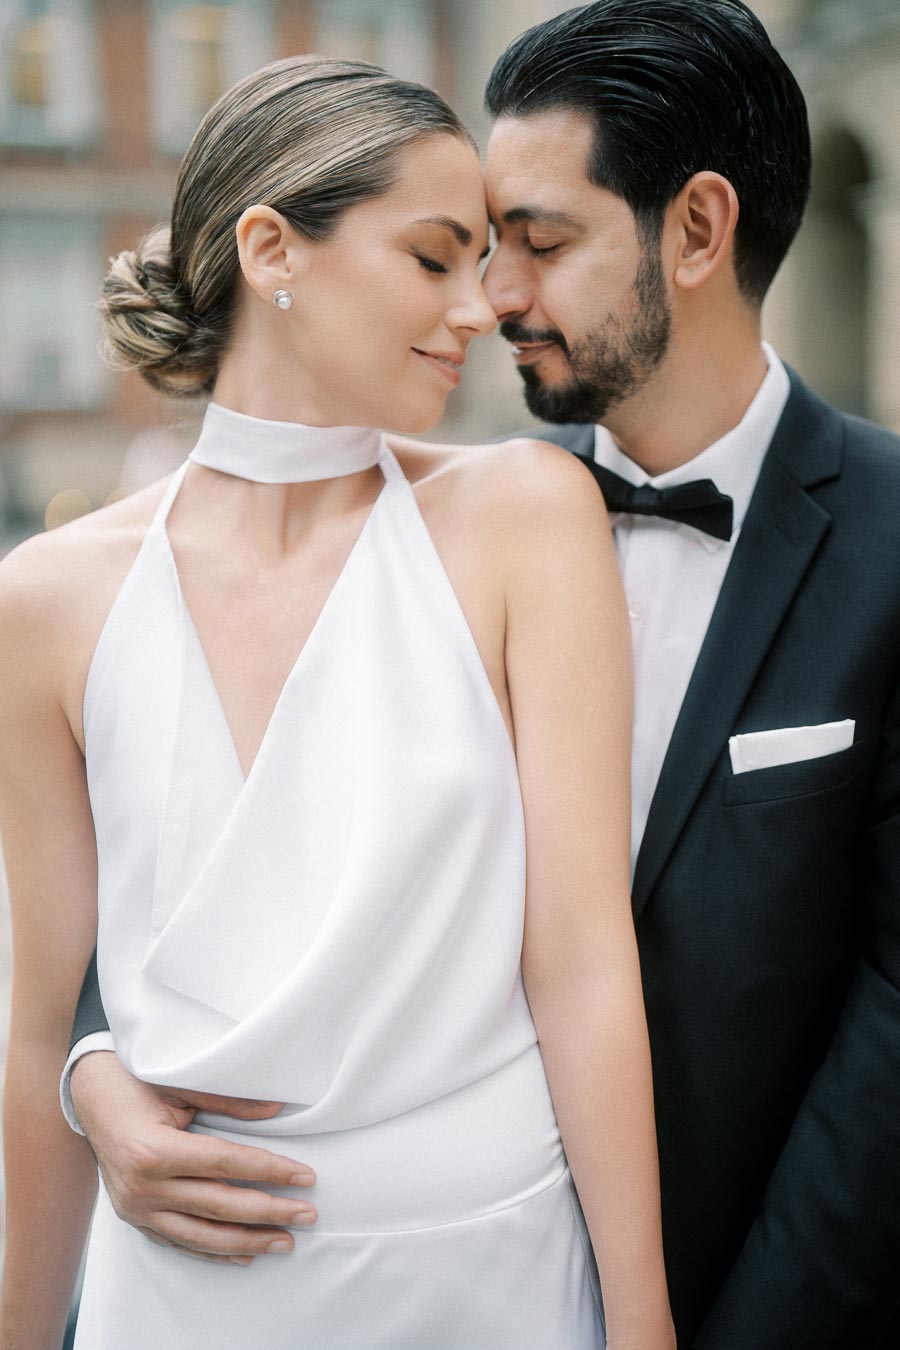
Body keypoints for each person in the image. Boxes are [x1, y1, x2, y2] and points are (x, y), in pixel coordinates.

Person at [55, 2, 900, 1347]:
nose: (492, 297)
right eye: (467, 246)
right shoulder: (450, 519)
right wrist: (98, 1063)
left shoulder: (891, 538)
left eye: (539, 245)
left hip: (761, 1278)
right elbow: (204, 826)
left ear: (696, 231)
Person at [0, 53, 676, 1350]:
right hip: (183, 1299)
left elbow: (585, 961)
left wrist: (643, 1325)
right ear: (273, 250)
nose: (479, 308)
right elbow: (39, 1037)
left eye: (484, 263)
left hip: (491, 1276)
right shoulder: (47, 599)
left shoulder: (526, 516)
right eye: (433, 259)